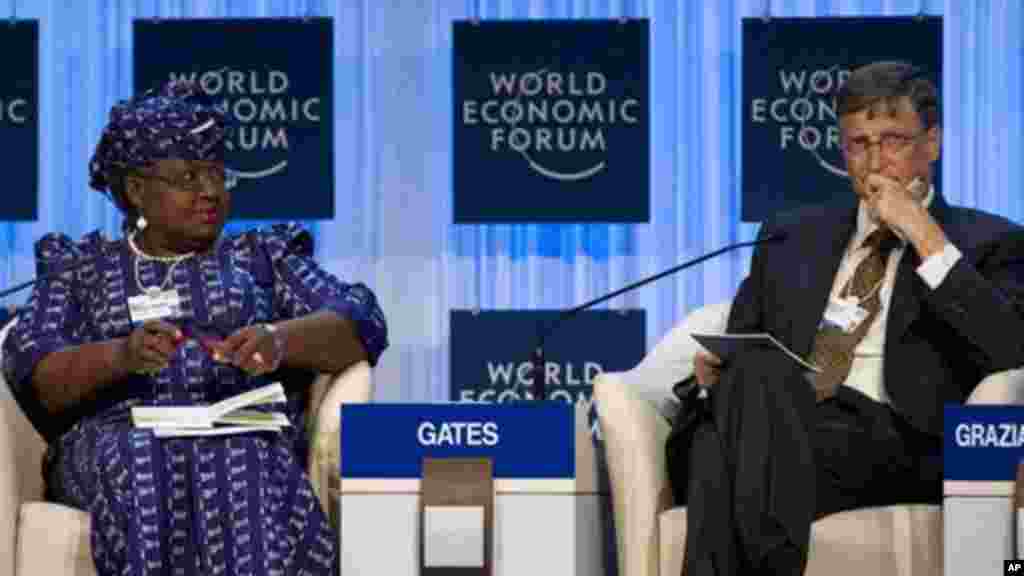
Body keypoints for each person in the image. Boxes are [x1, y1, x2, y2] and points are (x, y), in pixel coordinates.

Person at [2, 79, 388, 575]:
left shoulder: (260, 257)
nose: (210, 192)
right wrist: (121, 356)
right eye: (188, 177)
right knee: (142, 459)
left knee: (242, 459)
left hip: (241, 434)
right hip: (120, 440)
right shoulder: (83, 269)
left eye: (217, 175)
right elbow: (37, 373)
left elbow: (360, 318)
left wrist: (279, 340)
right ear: (137, 190)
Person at [667, 61, 1024, 575]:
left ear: (933, 143)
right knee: (741, 400)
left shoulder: (989, 241)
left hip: (899, 441)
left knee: (718, 448)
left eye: (893, 140)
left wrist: (925, 236)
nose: (876, 162)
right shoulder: (791, 235)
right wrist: (711, 378)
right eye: (859, 144)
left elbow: (1009, 348)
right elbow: (745, 343)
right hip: (785, 425)